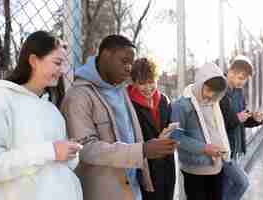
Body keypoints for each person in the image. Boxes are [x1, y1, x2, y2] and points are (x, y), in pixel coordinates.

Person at [60, 35, 178, 200]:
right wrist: (142, 150)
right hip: (104, 192)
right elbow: (85, 149)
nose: (129, 68)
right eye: (124, 61)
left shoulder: (120, 90)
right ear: (106, 55)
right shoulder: (79, 96)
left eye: (131, 63)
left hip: (132, 188)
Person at [0, 31, 83, 200]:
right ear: (33, 61)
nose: (62, 70)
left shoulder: (52, 110)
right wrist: (50, 151)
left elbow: (58, 166)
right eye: (57, 63)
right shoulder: (1, 100)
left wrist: (69, 153)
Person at [170, 63, 231, 200]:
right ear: (200, 83)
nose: (211, 95)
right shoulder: (181, 105)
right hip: (195, 170)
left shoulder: (214, 103)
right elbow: (176, 137)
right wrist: (204, 148)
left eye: (215, 92)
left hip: (217, 166)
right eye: (208, 90)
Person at [127, 57, 177, 200]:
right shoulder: (128, 103)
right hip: (145, 165)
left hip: (166, 162)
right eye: (142, 83)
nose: (148, 88)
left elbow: (169, 125)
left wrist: (170, 133)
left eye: (151, 82)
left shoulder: (164, 100)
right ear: (134, 82)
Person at [220, 55, 263, 160]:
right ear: (230, 72)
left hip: (236, 148)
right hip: (222, 149)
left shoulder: (239, 92)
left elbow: (242, 119)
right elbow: (215, 124)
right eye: (241, 78)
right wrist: (238, 118)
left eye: (245, 79)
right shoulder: (219, 91)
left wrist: (255, 119)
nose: (243, 82)